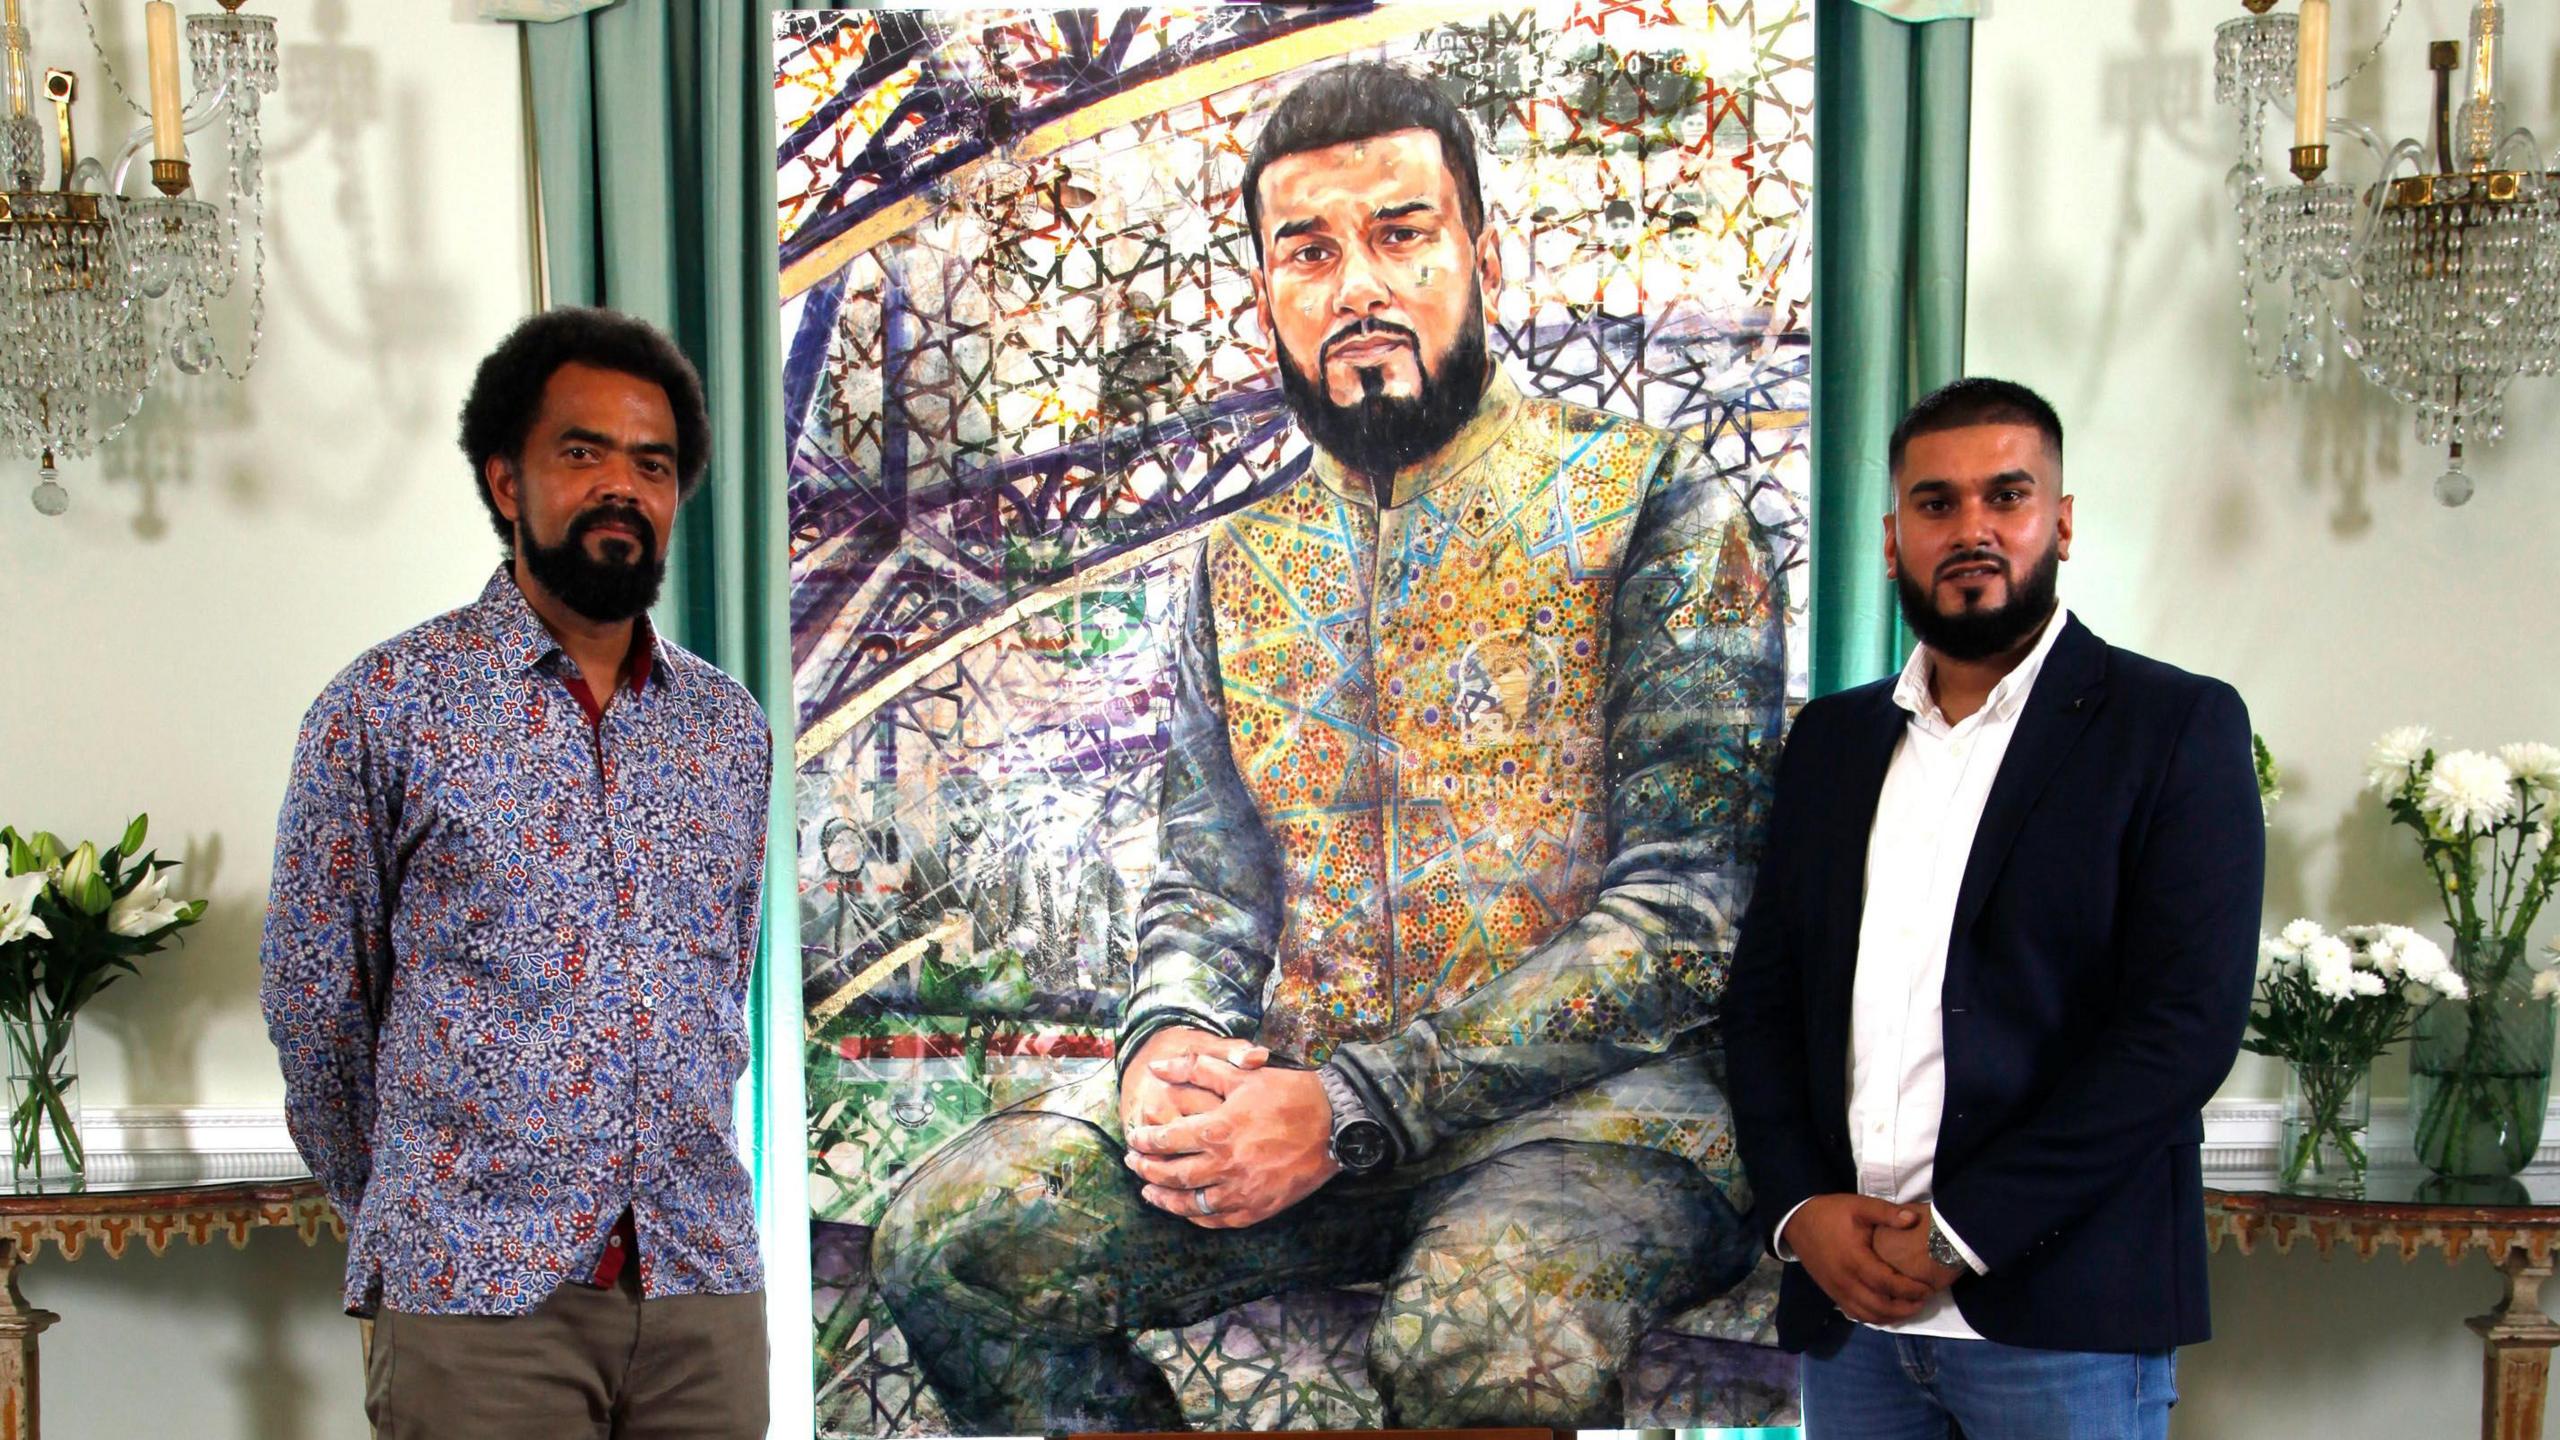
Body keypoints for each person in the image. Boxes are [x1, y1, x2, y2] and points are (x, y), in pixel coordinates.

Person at [869, 61, 1788, 1431]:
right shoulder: (1240, 567)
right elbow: (1204, 883)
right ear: (1267, 296)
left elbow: (1682, 923)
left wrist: (1358, 1097)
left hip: (1601, 1132)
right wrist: (1168, 1041)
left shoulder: (1651, 501)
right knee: (956, 1233)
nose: (1355, 282)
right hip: (1300, 1123)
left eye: (1400, 234)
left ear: (1480, 254)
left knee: (1476, 1343)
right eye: (1310, 249)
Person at [259, 307, 772, 1440]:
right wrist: (414, 1214)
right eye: (581, 452)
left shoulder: (729, 731)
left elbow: (717, 989)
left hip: (700, 1287)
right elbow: (315, 1007)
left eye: (652, 464)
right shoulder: (385, 708)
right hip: (477, 1303)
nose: (621, 487)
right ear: (506, 482)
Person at [1722, 378, 2263, 1439]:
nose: (1970, 529)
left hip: (2064, 1323)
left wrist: (1958, 1233)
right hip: (1855, 1324)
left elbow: (2181, 1032)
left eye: (2005, 497)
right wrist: (1798, 1214)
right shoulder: (1828, 745)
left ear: (2058, 523)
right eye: (1935, 504)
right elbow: (1764, 1004)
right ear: (1890, 540)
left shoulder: (2172, 726)